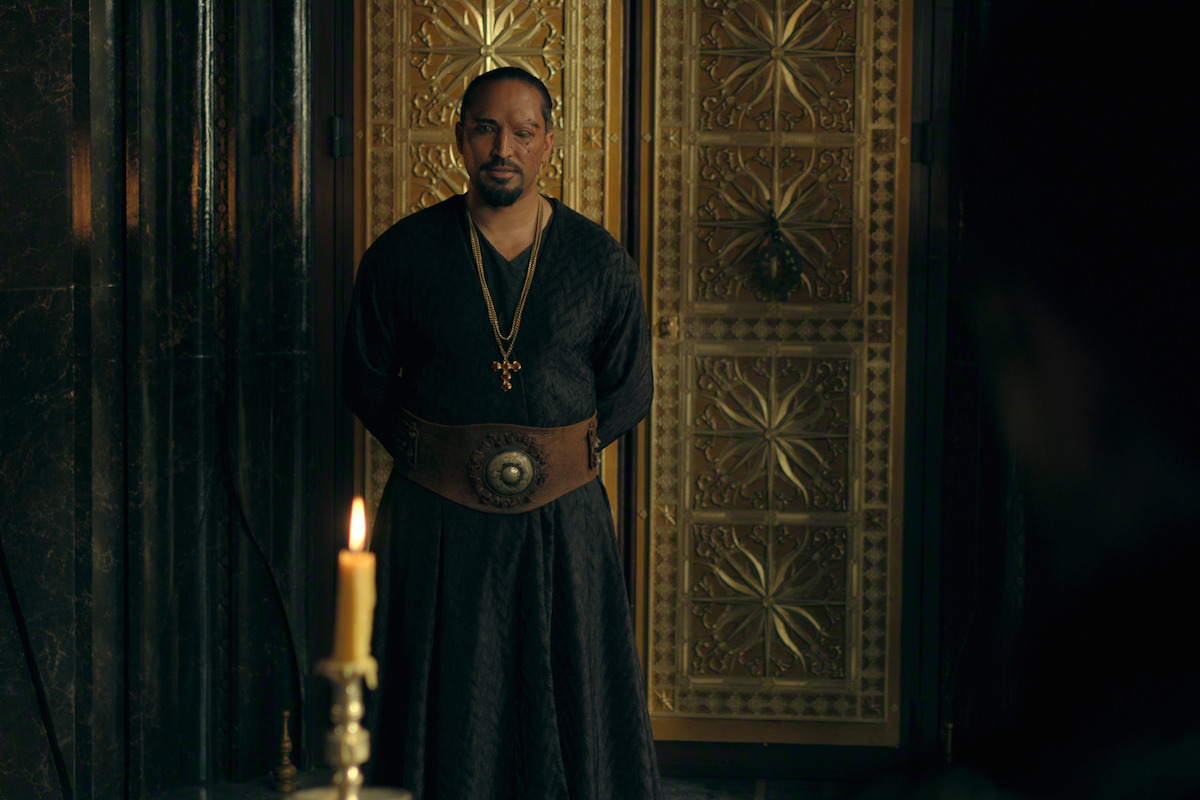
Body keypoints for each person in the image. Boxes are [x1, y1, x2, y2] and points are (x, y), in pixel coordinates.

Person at [343, 66, 662, 800]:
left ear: (549, 144)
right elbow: (362, 377)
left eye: (522, 132)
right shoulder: (402, 256)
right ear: (460, 138)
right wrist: (447, 463)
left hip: (564, 523)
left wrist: (551, 462)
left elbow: (630, 386)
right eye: (486, 128)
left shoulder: (598, 259)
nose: (502, 147)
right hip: (437, 519)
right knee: (449, 689)